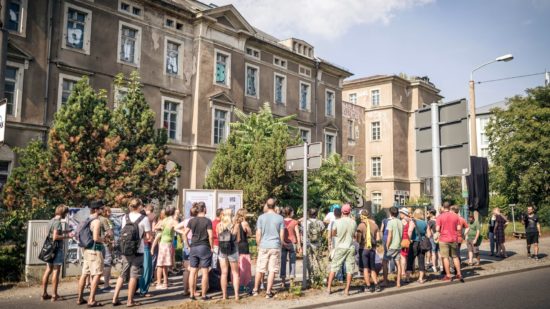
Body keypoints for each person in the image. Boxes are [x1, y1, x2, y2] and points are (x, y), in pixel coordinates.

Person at [112, 198, 152, 307]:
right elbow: (148, 237)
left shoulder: (125, 217)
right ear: (139, 206)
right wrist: (144, 235)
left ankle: (115, 298)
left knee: (123, 274)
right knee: (134, 275)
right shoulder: (144, 219)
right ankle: (130, 301)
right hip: (138, 250)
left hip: (125, 250)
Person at [253, 198, 285, 299]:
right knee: (272, 270)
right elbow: (282, 234)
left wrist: (259, 245)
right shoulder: (280, 218)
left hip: (264, 245)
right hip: (275, 246)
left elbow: (258, 233)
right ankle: (268, 292)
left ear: (266, 205)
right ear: (275, 206)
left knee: (260, 269)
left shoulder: (261, 217)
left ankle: (255, 290)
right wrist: (280, 244)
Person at [76, 200, 106, 307]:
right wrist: (104, 240)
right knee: (97, 274)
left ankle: (79, 298)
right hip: (95, 250)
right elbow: (95, 238)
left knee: (84, 274)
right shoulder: (96, 221)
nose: (104, 209)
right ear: (96, 209)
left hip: (86, 250)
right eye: (102, 208)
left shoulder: (87, 219)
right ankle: (91, 300)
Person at [183, 202, 213, 301]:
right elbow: (211, 236)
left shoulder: (192, 221)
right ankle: (204, 295)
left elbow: (184, 234)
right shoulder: (208, 221)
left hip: (194, 247)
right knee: (205, 272)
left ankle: (192, 294)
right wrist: (212, 247)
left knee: (192, 271)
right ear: (204, 209)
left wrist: (188, 246)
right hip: (204, 247)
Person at [41, 205, 71, 302]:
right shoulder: (58, 222)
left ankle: (44, 294)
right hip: (56, 249)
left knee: (48, 270)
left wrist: (66, 231)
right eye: (66, 213)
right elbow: (55, 237)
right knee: (56, 271)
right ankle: (54, 295)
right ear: (63, 213)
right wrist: (67, 236)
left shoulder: (51, 221)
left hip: (49, 249)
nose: (66, 215)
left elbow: (52, 233)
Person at [326, 204, 356, 296]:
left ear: (342, 212)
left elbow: (334, 234)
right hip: (350, 247)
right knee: (349, 269)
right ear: (350, 212)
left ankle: (329, 288)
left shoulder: (337, 222)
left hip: (340, 247)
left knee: (334, 267)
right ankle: (347, 290)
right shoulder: (353, 222)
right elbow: (354, 235)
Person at [436, 202, 463, 282]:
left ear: (443, 207)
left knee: (445, 257)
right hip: (454, 238)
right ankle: (459, 274)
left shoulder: (440, 216)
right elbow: (458, 228)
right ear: (449, 207)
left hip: (444, 239)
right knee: (455, 256)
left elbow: (437, 229)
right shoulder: (456, 216)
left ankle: (448, 275)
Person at [175, 204, 199, 296]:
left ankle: (185, 290)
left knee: (186, 269)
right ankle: (193, 290)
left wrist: (183, 232)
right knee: (195, 268)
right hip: (194, 242)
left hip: (186, 243)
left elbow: (176, 227)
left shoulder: (186, 221)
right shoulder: (197, 221)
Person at [217, 208, 240, 300]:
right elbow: (238, 240)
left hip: (222, 250)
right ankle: (237, 295)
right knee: (235, 273)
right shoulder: (236, 225)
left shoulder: (219, 225)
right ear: (232, 215)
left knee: (224, 273)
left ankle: (224, 295)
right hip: (233, 250)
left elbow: (218, 237)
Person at [356, 209, 381, 293]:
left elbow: (358, 240)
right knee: (372, 268)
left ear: (361, 216)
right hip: (372, 250)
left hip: (363, 249)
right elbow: (378, 238)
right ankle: (377, 285)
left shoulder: (361, 225)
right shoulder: (375, 225)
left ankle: (368, 286)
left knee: (365, 269)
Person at [154, 206, 178, 289]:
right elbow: (179, 228)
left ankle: (165, 282)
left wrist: (161, 228)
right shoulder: (173, 221)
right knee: (161, 264)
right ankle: (159, 283)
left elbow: (155, 228)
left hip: (163, 243)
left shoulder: (163, 220)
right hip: (167, 244)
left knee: (164, 264)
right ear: (173, 212)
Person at [407, 209, 432, 283]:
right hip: (422, 244)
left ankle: (407, 278)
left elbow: (410, 231)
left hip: (414, 243)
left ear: (414, 214)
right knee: (421, 261)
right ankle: (420, 278)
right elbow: (429, 234)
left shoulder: (413, 221)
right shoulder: (425, 223)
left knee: (410, 260)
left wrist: (409, 239)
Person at [300, 208, 325, 283]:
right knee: (319, 259)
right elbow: (322, 231)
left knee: (309, 260)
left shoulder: (304, 222)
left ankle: (312, 278)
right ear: (317, 214)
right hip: (318, 243)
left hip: (308, 243)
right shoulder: (320, 222)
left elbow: (302, 232)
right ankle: (323, 277)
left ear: (309, 214)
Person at [138, 204, 156, 297]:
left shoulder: (131, 220)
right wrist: (153, 235)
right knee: (146, 269)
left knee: (137, 270)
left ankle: (134, 289)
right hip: (145, 247)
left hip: (135, 248)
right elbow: (148, 238)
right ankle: (143, 290)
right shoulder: (145, 221)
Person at [281, 207, 301, 288]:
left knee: (283, 262)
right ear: (290, 213)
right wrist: (299, 245)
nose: (294, 213)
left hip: (283, 243)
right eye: (293, 212)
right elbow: (297, 234)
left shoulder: (281, 221)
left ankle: (283, 282)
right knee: (292, 262)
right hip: (292, 243)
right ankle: (292, 281)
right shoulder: (294, 222)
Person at [384, 207, 403, 288]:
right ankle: (398, 282)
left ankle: (385, 281)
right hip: (398, 245)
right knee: (398, 263)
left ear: (390, 213)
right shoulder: (400, 222)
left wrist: (387, 245)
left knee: (384, 262)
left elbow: (390, 235)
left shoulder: (390, 222)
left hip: (392, 246)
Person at [236, 208, 252, 293]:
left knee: (238, 266)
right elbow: (250, 233)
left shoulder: (235, 223)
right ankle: (243, 284)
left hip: (236, 246)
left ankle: (237, 283)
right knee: (244, 266)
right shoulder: (245, 223)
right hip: (244, 245)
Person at [99, 206, 114, 292]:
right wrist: (111, 240)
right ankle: (106, 285)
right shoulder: (105, 220)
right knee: (107, 263)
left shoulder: (96, 218)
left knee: (99, 263)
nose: (110, 213)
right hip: (106, 243)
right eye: (109, 212)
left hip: (98, 243)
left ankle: (90, 283)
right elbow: (110, 232)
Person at [399, 208, 412, 282]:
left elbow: (401, 231)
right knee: (408, 258)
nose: (400, 214)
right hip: (409, 240)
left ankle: (403, 273)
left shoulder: (403, 221)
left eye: (401, 213)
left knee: (403, 257)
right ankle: (408, 275)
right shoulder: (410, 220)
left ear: (404, 213)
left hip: (404, 240)